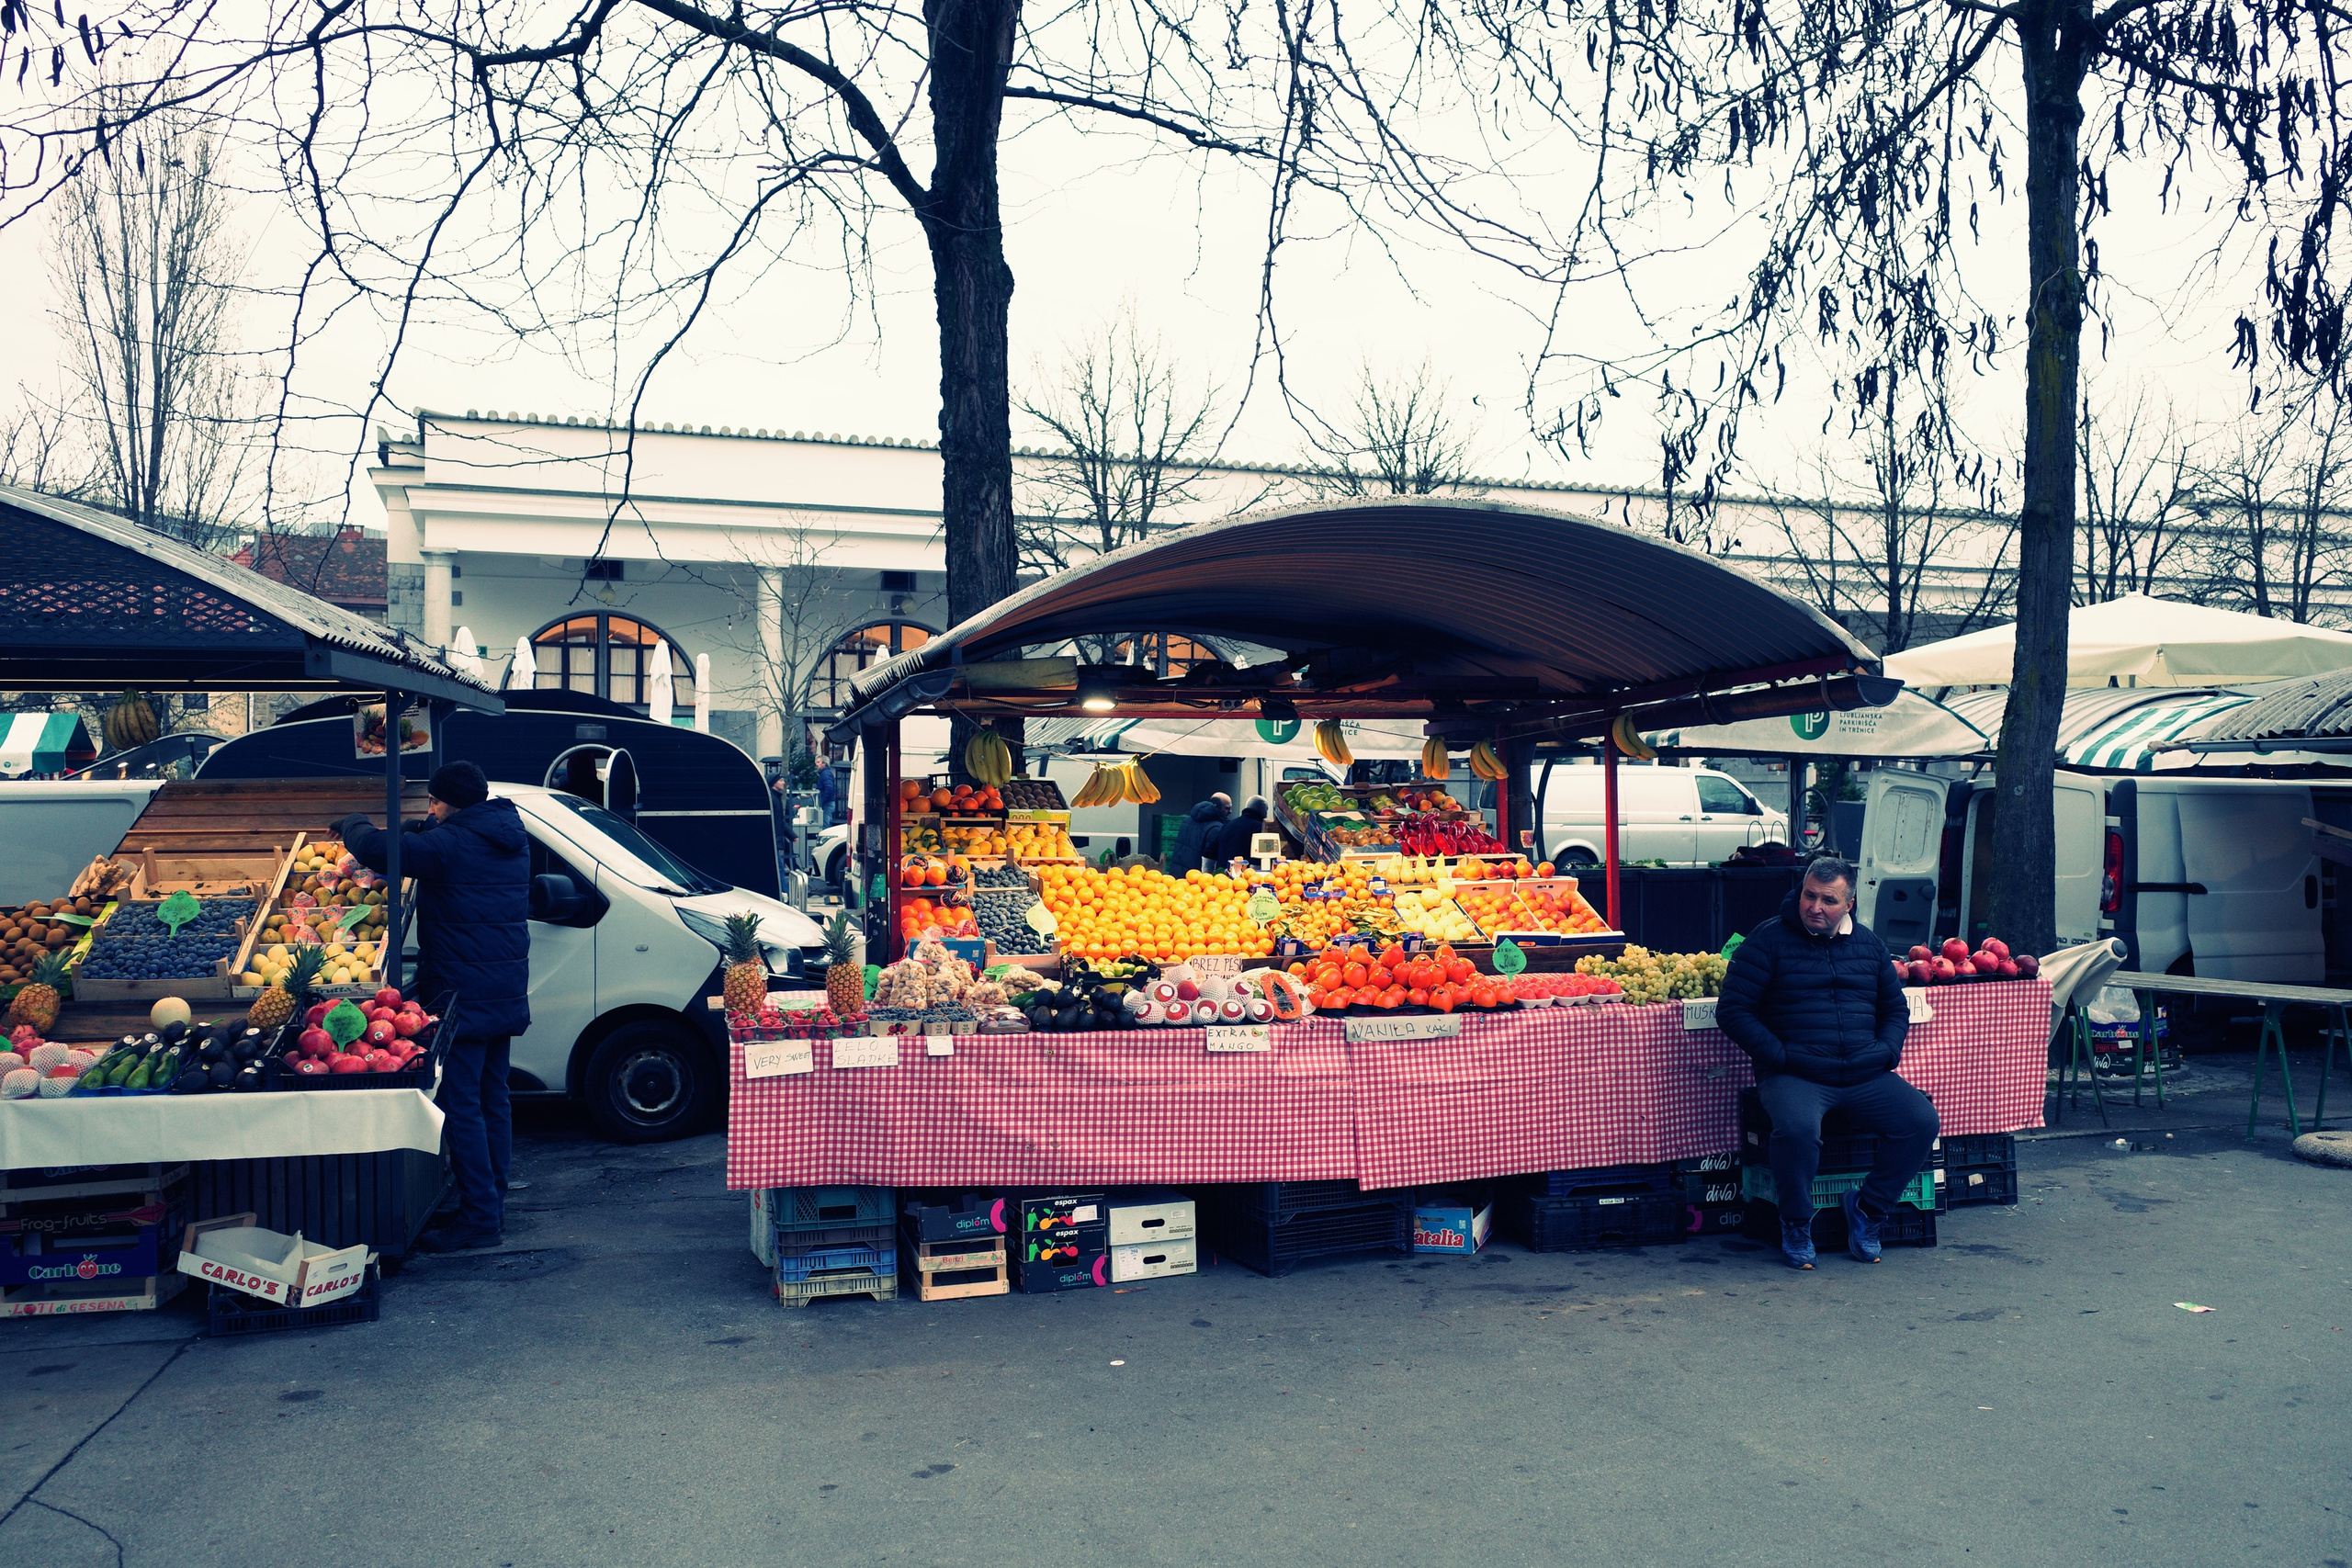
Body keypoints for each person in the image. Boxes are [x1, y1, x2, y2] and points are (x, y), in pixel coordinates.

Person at [334, 761, 531, 1253]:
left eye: (435, 802)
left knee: (461, 1103)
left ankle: (480, 1218)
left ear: (451, 804)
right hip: (501, 988)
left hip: (461, 991)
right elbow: (433, 836)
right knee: (493, 1098)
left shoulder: (451, 845)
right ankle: (491, 1202)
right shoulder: (507, 835)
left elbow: (381, 848)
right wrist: (422, 825)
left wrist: (353, 822)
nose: (430, 809)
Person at [1713, 854, 1936, 1271]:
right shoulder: (1768, 940)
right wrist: (1779, 1057)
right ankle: (1796, 1223)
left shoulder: (1869, 945)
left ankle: (1868, 1211)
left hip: (1862, 1071)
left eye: (1828, 900)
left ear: (1848, 904)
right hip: (1795, 1073)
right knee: (1797, 1131)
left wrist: (1888, 1052)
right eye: (1809, 896)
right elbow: (1734, 1010)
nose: (1815, 907)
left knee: (1920, 1121)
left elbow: (1894, 1009)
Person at [1165, 792, 1231, 875]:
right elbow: (1210, 861)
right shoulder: (1216, 828)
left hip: (1178, 874)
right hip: (1195, 880)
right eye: (1227, 808)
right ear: (1215, 807)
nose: (1230, 811)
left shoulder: (1187, 821)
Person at [1210, 794, 1272, 867]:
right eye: (1266, 809)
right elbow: (1258, 860)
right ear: (1261, 808)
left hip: (1222, 875)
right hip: (1245, 875)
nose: (1266, 814)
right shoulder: (1260, 827)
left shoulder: (1227, 825)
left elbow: (1209, 853)